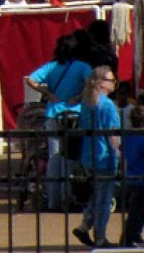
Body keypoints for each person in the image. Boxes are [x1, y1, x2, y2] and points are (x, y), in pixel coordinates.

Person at [25, 33, 90, 212]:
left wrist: (47, 94)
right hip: (75, 114)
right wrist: (78, 97)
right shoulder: (82, 66)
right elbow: (92, 83)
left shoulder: (51, 67)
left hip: (53, 113)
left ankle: (53, 200)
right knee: (71, 157)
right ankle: (69, 196)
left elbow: (31, 80)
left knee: (54, 157)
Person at [72, 67, 122, 249]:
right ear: (102, 83)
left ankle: (85, 225)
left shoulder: (87, 103)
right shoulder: (107, 105)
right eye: (111, 80)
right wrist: (119, 155)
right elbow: (113, 136)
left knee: (98, 193)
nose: (113, 83)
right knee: (104, 198)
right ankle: (100, 236)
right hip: (104, 156)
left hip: (89, 154)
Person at [119, 102, 144, 248]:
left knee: (143, 208)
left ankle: (134, 233)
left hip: (131, 177)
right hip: (142, 179)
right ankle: (127, 237)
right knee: (139, 211)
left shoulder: (129, 136)